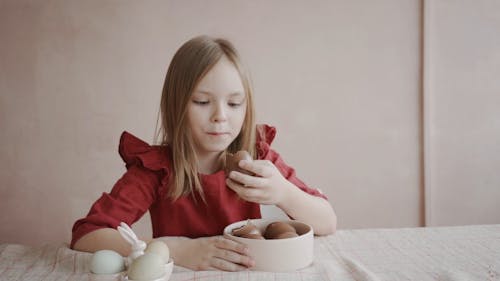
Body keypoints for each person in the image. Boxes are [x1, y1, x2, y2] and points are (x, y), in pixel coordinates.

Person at [71, 35, 337, 271]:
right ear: (176, 106)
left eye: (234, 103)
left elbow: (327, 222)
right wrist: (176, 250)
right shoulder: (156, 169)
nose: (220, 116)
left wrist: (284, 193)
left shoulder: (258, 157)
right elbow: (87, 235)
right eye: (202, 102)